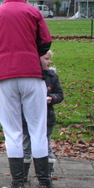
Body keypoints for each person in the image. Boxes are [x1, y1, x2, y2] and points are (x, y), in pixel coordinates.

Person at [0, 0, 54, 188]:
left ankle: (17, 183)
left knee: (12, 131)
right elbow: (45, 43)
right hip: (31, 74)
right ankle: (45, 183)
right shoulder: (33, 12)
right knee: (37, 129)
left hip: (4, 75)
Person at [21, 50, 64, 181]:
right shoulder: (27, 77)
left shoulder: (51, 77)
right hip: (27, 118)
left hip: (46, 118)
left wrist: (51, 98)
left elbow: (59, 94)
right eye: (46, 59)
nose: (49, 62)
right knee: (25, 145)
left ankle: (47, 173)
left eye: (49, 59)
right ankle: (22, 174)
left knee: (46, 145)